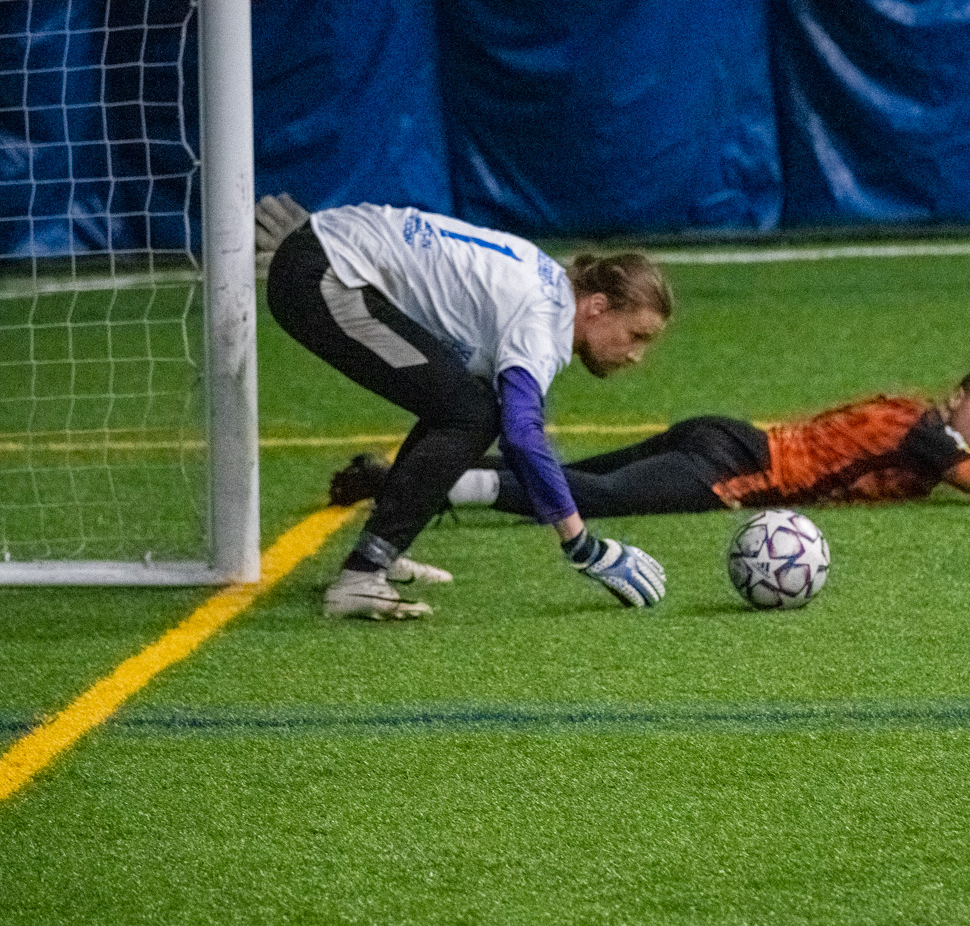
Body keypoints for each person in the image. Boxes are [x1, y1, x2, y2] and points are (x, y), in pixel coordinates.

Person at [258, 194, 672, 619]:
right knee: (470, 414)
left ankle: (378, 554)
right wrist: (582, 545)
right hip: (324, 275)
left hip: (324, 257)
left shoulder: (548, 283)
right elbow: (522, 439)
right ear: (598, 306)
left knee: (467, 407)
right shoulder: (543, 323)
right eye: (636, 335)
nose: (635, 354)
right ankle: (363, 574)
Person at [330, 367, 970, 520]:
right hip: (737, 467)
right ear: (958, 394)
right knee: (586, 498)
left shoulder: (917, 417)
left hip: (723, 431)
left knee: (566, 475)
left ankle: (392, 479)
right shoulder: (925, 437)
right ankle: (417, 488)